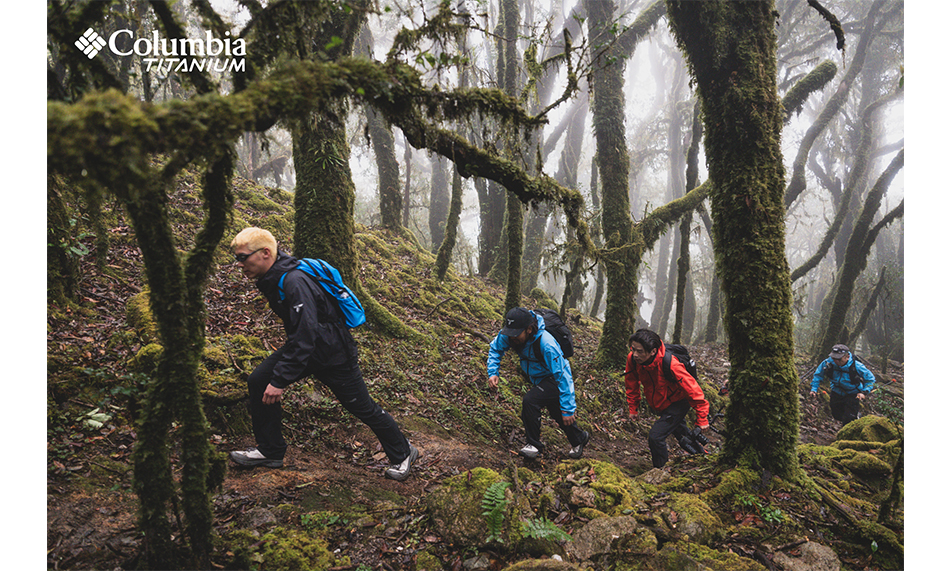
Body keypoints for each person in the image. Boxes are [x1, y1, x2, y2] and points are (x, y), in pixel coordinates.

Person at [228, 227, 418, 481]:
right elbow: (304, 335)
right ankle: (270, 450)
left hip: (333, 354)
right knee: (258, 380)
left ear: (265, 253)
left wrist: (281, 379)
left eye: (243, 257)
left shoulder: (294, 280)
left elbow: (307, 334)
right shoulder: (276, 275)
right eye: (237, 258)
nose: (239, 264)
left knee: (362, 407)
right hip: (309, 349)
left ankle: (404, 452)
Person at [487, 307, 590, 459]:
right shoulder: (510, 334)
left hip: (554, 379)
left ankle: (534, 445)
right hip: (540, 379)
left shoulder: (547, 344)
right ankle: (579, 438)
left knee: (530, 401)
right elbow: (495, 349)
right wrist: (493, 372)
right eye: (510, 333)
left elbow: (563, 375)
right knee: (556, 411)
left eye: (516, 334)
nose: (512, 338)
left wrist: (569, 408)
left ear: (529, 329)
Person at [624, 329, 710, 469]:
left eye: (640, 351)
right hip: (662, 403)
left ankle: (660, 471)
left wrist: (702, 417)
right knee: (683, 437)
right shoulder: (633, 360)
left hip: (679, 403)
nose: (635, 354)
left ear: (652, 351)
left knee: (656, 437)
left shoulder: (671, 363)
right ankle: (704, 457)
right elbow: (631, 383)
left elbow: (692, 389)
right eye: (633, 349)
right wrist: (633, 408)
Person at [810, 344, 876, 424]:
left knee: (849, 419)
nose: (836, 361)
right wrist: (814, 389)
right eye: (834, 358)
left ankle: (852, 423)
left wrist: (864, 392)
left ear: (847, 357)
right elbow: (818, 375)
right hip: (836, 392)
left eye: (839, 359)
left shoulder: (857, 366)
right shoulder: (828, 362)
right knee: (836, 415)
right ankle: (854, 416)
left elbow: (870, 379)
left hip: (853, 394)